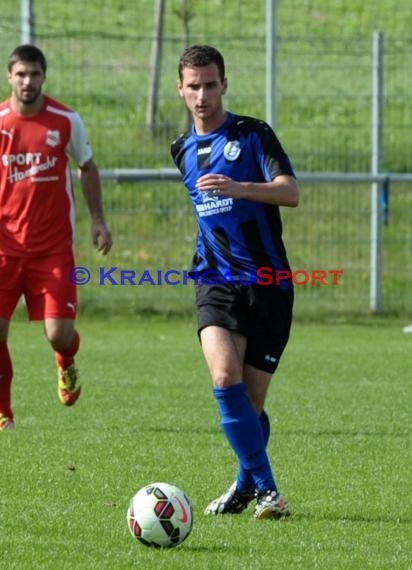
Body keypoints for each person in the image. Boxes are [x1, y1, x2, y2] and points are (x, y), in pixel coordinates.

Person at [171, 45, 299, 519]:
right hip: (215, 279)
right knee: (225, 379)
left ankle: (245, 486)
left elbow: (291, 192)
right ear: (180, 89)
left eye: (210, 84)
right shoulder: (181, 149)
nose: (202, 95)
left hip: (269, 282)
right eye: (193, 86)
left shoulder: (252, 135)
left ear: (224, 84)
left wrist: (239, 187)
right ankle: (268, 491)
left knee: (252, 403)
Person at [0, 44, 112, 430]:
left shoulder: (65, 120)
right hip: (4, 248)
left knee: (58, 334)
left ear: (43, 76)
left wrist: (98, 219)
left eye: (34, 74)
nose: (27, 81)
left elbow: (87, 166)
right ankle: (4, 414)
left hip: (52, 250)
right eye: (20, 74)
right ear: (9, 76)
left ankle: (66, 363)